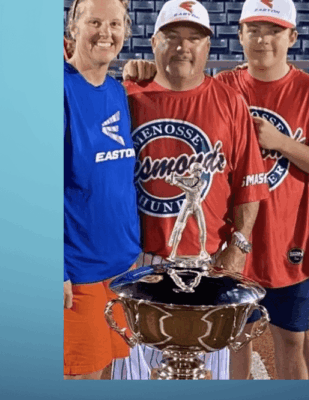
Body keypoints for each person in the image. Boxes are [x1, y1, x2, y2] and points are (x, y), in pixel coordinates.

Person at [123, 0, 309, 381]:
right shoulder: (131, 93)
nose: (183, 46)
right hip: (149, 256)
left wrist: (239, 244)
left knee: (281, 342)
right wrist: (136, 72)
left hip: (245, 249)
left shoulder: (291, 94)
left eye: (194, 38)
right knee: (147, 362)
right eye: (172, 37)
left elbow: (252, 183)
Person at [64, 0, 141, 380]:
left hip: (120, 268)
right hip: (78, 273)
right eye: (94, 21)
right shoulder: (59, 90)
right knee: (81, 375)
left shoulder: (115, 91)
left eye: (114, 23)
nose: (105, 33)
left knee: (107, 371)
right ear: (73, 28)